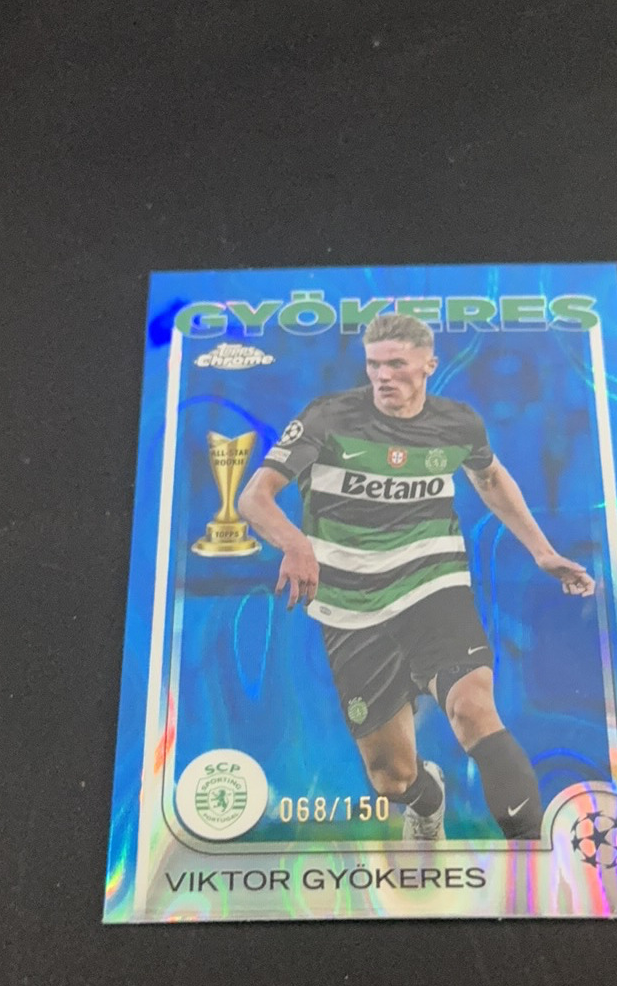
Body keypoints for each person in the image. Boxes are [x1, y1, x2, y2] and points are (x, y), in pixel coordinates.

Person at [237, 313, 595, 841]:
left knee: (472, 709)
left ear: (429, 365)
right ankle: (427, 801)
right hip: (351, 608)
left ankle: (532, 856)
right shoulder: (327, 418)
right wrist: (295, 543)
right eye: (374, 365)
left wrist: (542, 551)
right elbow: (254, 496)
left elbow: (490, 478)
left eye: (397, 365)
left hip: (433, 586)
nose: (383, 376)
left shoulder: (457, 424)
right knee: (392, 777)